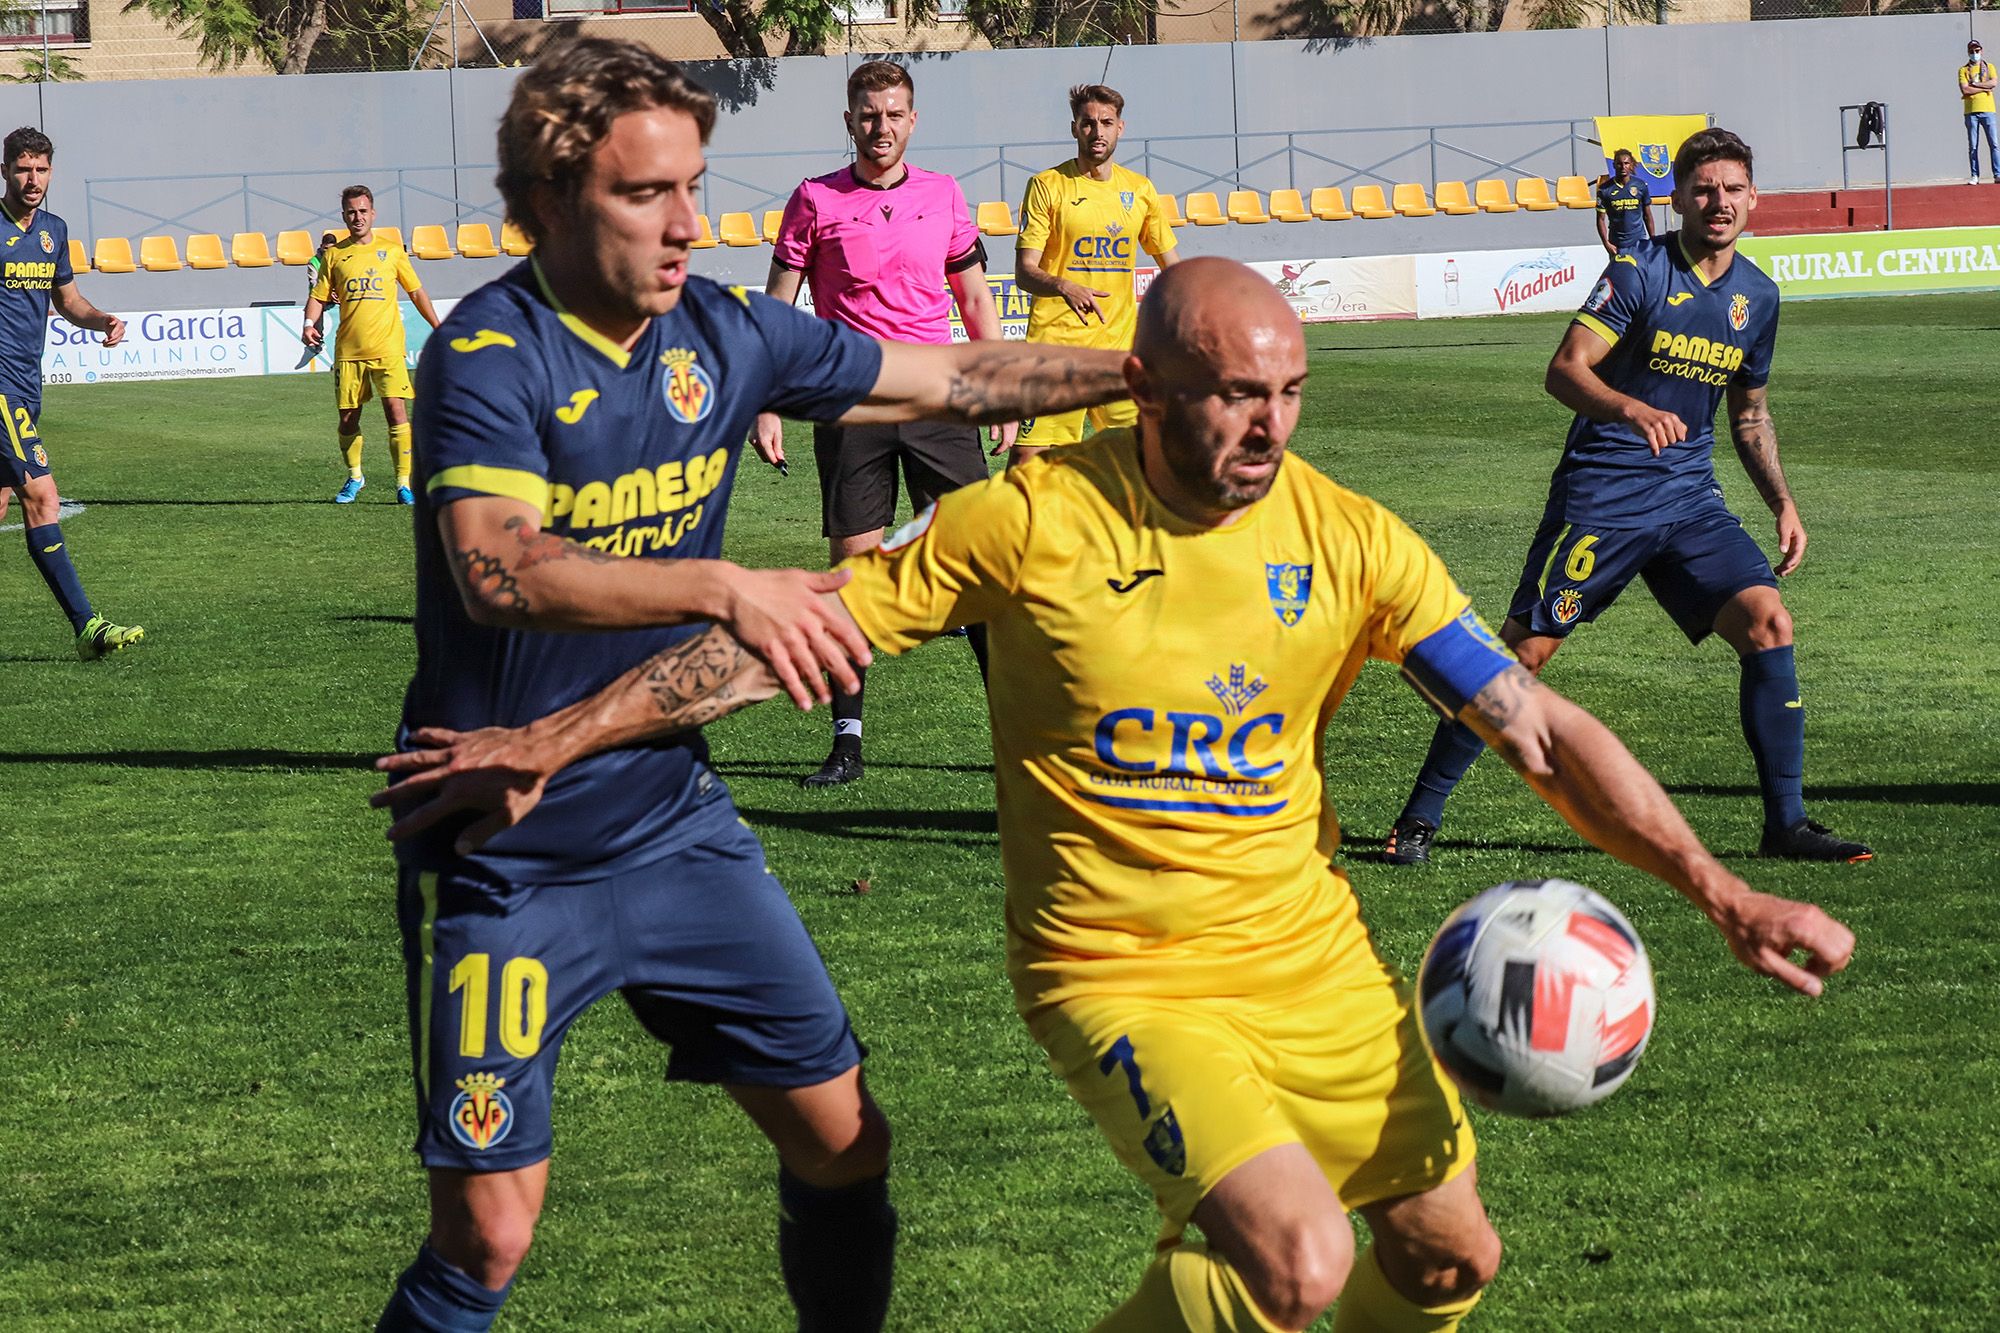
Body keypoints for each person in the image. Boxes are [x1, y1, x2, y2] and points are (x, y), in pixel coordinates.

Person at [378, 256, 1857, 1333]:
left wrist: (1721, 887)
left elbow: (1535, 726)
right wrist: (557, 736)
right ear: (1153, 384)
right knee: (1297, 1264)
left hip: (1316, 962)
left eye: (1287, 393)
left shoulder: (1353, 540)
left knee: (1450, 1262)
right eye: (1232, 395)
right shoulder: (1024, 519)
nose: (1267, 428)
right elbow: (784, 644)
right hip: (1119, 972)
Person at [366, 38, 1127, 1332]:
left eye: (694, 187)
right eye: (645, 194)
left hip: (671, 820)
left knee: (844, 1142)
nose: (687, 225)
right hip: (503, 838)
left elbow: (946, 374)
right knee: (487, 1234)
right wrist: (725, 587)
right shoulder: (489, 355)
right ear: (549, 201)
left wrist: (1144, 370)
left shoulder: (723, 330)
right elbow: (499, 568)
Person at [1384, 128, 1871, 868]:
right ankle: (1418, 816)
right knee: (1523, 657)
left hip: (1689, 500)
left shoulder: (1758, 296)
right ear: (1674, 198)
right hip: (1603, 493)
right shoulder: (1639, 272)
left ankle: (1787, 823)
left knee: (1769, 622)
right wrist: (1629, 409)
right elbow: (1565, 369)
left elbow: (1750, 414)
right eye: (1703, 189)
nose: (1719, 202)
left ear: (1754, 199)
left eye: (1733, 189)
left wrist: (1783, 502)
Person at [752, 59, 1013, 788]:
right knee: (853, 577)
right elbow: (777, 312)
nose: (882, 127)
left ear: (913, 120)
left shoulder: (945, 196)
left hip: (937, 400)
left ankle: (1014, 740)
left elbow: (974, 301)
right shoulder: (813, 200)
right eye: (869, 114)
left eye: (895, 113)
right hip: (850, 401)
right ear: (848, 120)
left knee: (981, 568)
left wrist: (999, 390)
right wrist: (766, 401)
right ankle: (846, 745)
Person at [0, 126, 143, 660]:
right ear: (5, 171)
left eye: (40, 169)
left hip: (24, 384)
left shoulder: (53, 231)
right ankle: (87, 626)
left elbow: (69, 300)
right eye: (22, 169)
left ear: (51, 172)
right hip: (0, 390)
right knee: (43, 497)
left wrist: (101, 318)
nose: (32, 179)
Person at [1011, 83, 1179, 465]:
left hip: (1118, 357)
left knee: (1146, 464)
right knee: (1029, 473)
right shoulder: (1046, 186)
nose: (1097, 132)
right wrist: (1063, 285)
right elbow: (1025, 272)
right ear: (1075, 129)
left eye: (1106, 122)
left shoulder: (1140, 190)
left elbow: (1173, 267)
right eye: (1088, 123)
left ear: (1121, 127)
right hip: (1054, 354)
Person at [302, 185, 442, 505]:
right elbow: (318, 297)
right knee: (348, 418)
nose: (357, 217)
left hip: (389, 348)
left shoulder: (392, 251)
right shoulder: (335, 255)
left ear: (373, 213)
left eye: (363, 211)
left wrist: (438, 326)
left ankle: (404, 484)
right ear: (344, 216)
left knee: (397, 412)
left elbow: (416, 292)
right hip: (350, 351)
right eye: (351, 212)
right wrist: (309, 324)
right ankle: (355, 477)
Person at [1595, 148, 1653, 256]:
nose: (1623, 167)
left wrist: (1653, 240)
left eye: (1626, 163)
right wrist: (1606, 243)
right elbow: (1600, 219)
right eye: (1619, 164)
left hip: (1639, 242)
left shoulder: (1640, 186)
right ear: (1614, 165)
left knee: (1640, 272)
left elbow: (1647, 215)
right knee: (1620, 273)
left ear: (1631, 165)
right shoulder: (1604, 190)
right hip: (1617, 244)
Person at [1961, 40, 1998, 185]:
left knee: (1994, 144)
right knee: (1973, 145)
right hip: (1971, 112)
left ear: (1981, 51)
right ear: (1968, 52)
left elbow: (1993, 83)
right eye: (1972, 51)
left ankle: (1997, 173)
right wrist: (1984, 88)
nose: (1974, 54)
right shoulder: (1963, 70)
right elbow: (1965, 89)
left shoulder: (1989, 67)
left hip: (1988, 110)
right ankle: (1975, 175)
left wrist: (1976, 85)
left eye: (1977, 50)